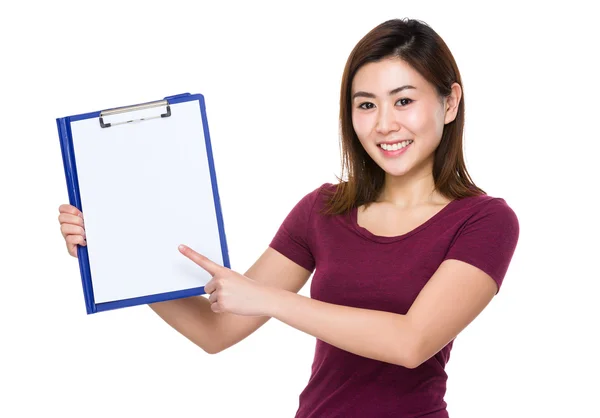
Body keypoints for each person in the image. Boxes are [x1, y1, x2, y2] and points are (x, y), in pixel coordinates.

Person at [57, 18, 519, 418]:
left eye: (403, 101)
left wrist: (268, 299)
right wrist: (120, 251)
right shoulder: (324, 210)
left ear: (450, 102)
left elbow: (410, 343)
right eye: (365, 104)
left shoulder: (484, 221)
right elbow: (216, 331)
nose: (383, 124)